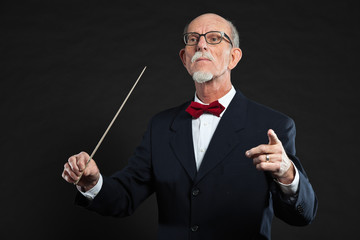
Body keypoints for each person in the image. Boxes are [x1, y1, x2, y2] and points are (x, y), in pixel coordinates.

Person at [62, 13, 317, 239]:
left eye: (215, 38)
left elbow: (301, 216)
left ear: (234, 58)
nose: (201, 44)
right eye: (193, 39)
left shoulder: (273, 125)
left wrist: (287, 175)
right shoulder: (160, 126)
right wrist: (92, 182)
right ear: (185, 58)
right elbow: (124, 198)